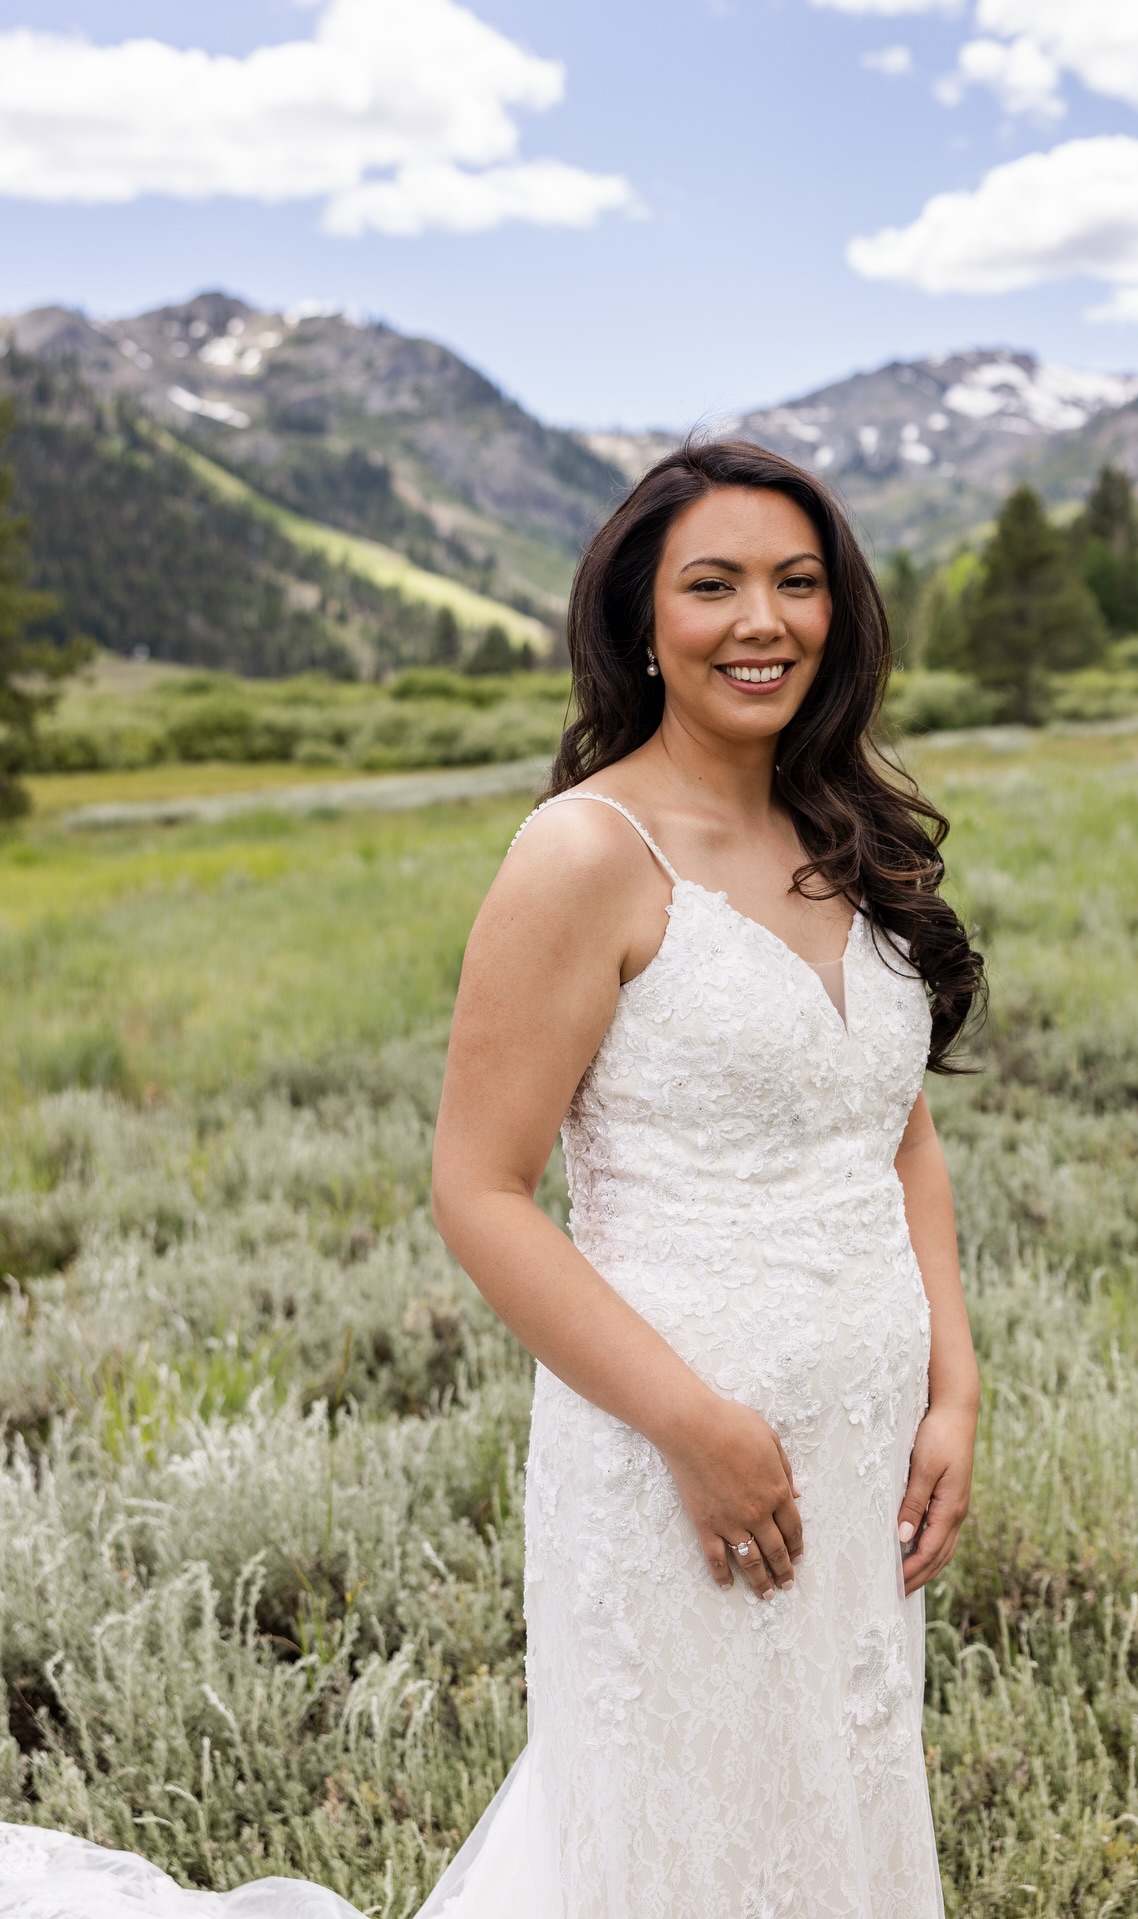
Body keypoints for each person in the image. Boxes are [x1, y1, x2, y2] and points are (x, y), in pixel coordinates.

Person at [0, 440, 983, 1919]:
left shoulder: (845, 831)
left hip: (862, 1453)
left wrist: (955, 1387)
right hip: (679, 1459)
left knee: (826, 1799)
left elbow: (895, 1129)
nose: (761, 621)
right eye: (711, 585)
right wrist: (691, 1426)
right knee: (668, 1835)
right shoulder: (585, 854)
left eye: (797, 583)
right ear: (641, 624)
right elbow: (479, 1190)